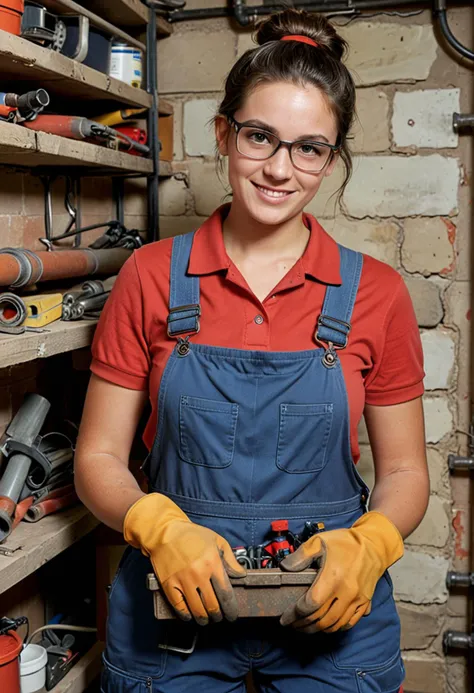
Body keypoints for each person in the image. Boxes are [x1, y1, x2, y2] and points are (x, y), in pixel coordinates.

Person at [75, 8, 429, 692]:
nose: (279, 168)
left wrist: (372, 542)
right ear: (223, 133)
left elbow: (407, 470)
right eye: (259, 137)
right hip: (173, 619)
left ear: (331, 158)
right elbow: (95, 457)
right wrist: (154, 522)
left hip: (328, 619)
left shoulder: (376, 294)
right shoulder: (150, 276)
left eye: (309, 148)